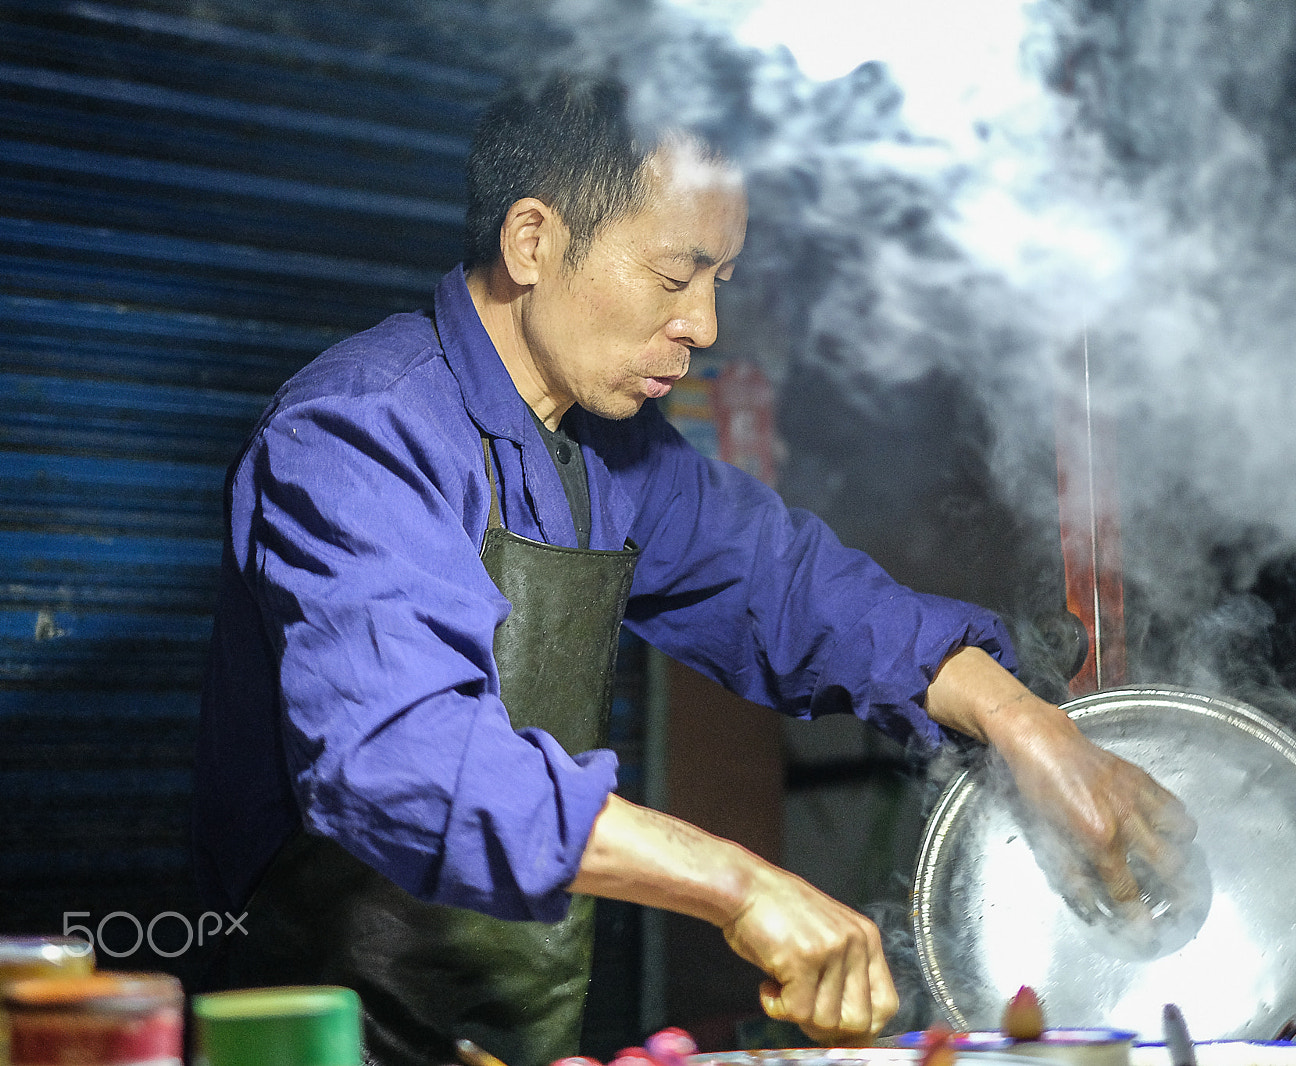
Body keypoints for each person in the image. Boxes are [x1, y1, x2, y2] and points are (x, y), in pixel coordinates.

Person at [192, 75, 1194, 1066]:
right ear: (532, 241)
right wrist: (738, 884)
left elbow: (794, 589)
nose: (704, 327)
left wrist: (1024, 721)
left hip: (510, 1040)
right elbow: (402, 755)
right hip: (312, 1041)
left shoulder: (613, 455)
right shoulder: (360, 431)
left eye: (720, 282)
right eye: (676, 279)